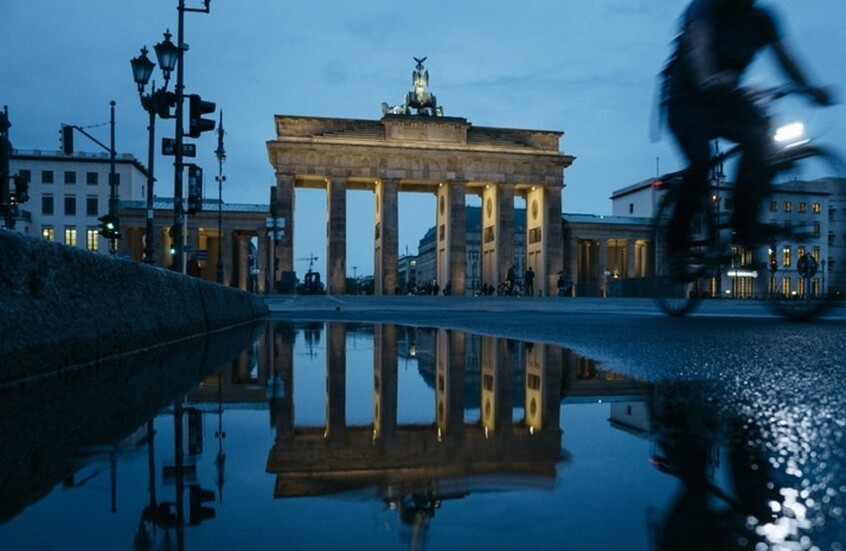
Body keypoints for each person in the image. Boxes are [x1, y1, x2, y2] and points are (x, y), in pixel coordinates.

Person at [661, 0, 830, 267]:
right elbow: (698, 47)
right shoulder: (706, 7)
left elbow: (786, 57)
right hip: (686, 99)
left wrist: (811, 87)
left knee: (762, 138)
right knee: (701, 162)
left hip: (726, 99)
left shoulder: (762, 18)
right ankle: (676, 239)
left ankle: (744, 221)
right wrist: (709, 78)